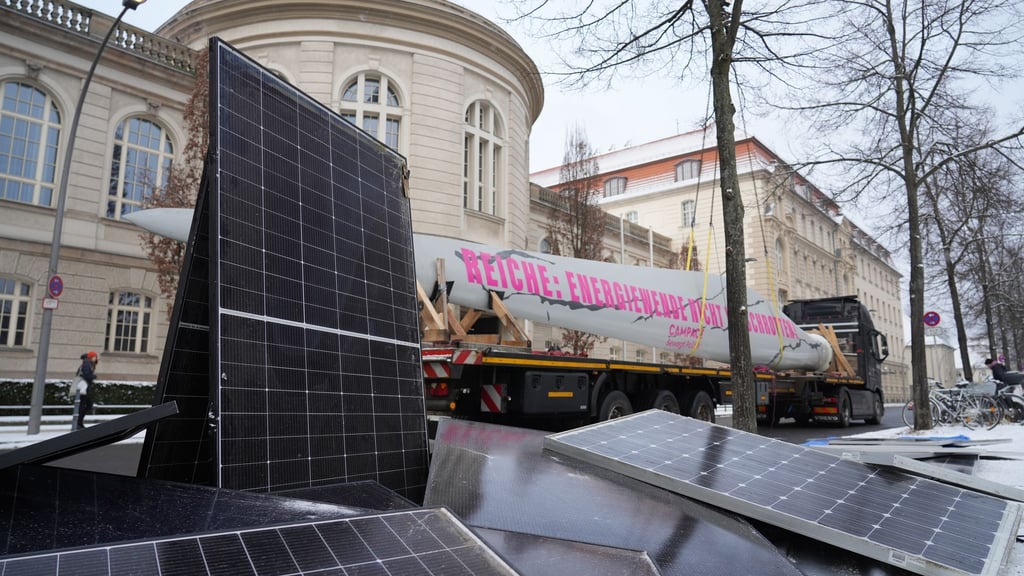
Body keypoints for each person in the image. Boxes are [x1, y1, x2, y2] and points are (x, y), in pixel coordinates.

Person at [75, 351, 98, 429]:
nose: (96, 358)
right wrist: (94, 376)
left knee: (86, 404)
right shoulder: (86, 363)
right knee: (85, 405)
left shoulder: (87, 363)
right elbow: (86, 375)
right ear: (91, 357)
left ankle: (79, 423)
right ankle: (78, 423)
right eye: (95, 357)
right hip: (84, 387)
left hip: (85, 387)